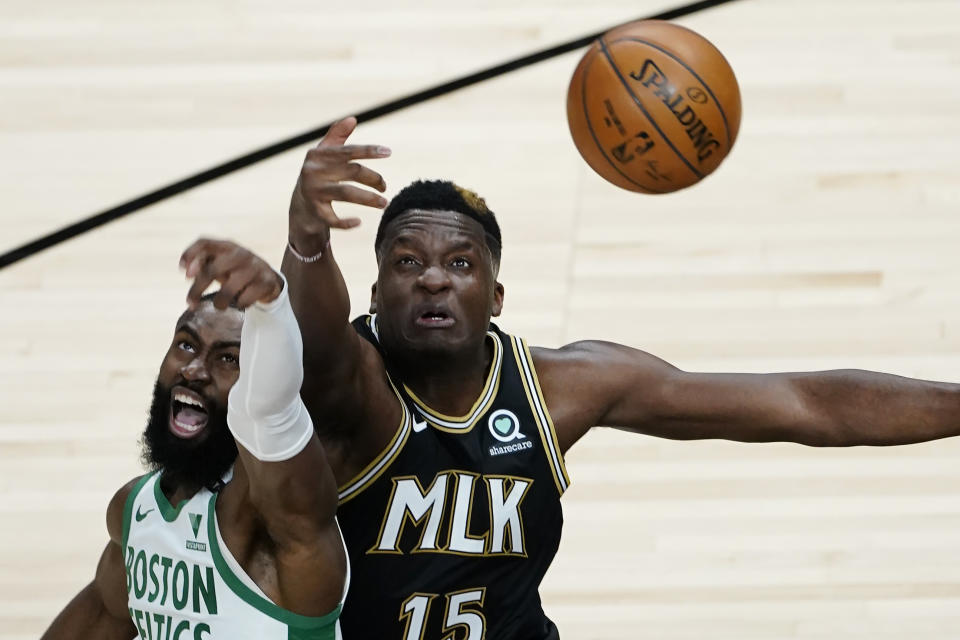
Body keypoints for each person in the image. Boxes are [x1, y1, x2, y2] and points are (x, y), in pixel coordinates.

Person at [283, 117, 960, 640]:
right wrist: (308, 235)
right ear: (374, 292)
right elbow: (310, 334)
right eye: (407, 262)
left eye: (462, 263)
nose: (433, 276)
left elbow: (804, 404)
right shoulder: (352, 379)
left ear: (496, 299)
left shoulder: (559, 387)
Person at [41, 239, 348, 640]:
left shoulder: (270, 515)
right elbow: (104, 610)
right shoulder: (136, 512)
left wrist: (273, 309)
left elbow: (273, 412)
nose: (193, 370)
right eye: (186, 345)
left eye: (227, 358)